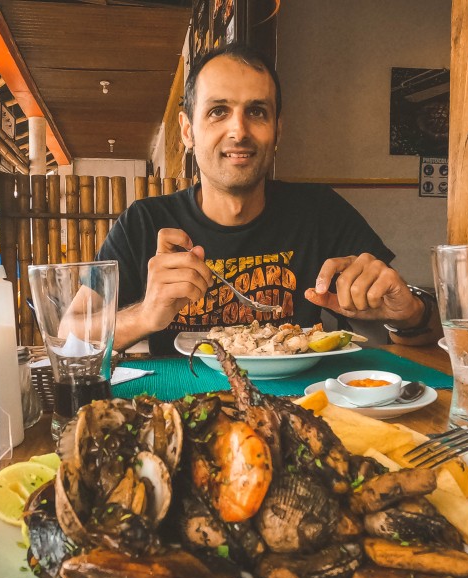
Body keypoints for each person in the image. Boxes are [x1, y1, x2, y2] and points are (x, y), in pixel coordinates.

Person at [94, 43, 438, 355]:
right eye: (218, 111)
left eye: (257, 111)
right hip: (182, 409)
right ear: (188, 131)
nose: (239, 131)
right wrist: (143, 316)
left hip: (299, 406)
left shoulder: (320, 211)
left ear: (277, 130)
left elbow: (424, 335)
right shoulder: (144, 223)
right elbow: (68, 335)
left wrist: (408, 314)